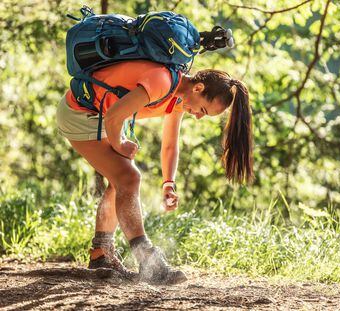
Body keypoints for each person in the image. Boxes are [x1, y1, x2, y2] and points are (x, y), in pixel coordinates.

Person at [56, 59, 254, 285]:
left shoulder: (179, 97)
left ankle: (101, 254)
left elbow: (170, 144)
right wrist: (119, 145)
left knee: (121, 179)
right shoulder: (162, 81)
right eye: (203, 110)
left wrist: (168, 183)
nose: (198, 116)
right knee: (129, 177)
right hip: (80, 114)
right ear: (198, 88)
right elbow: (113, 116)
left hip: (100, 117)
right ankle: (148, 260)